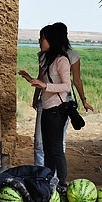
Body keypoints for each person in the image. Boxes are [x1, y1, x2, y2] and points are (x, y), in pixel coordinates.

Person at [30, 22, 93, 166]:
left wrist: (83, 100)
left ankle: (56, 177)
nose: (40, 41)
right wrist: (36, 97)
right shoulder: (44, 56)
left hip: (61, 102)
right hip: (46, 100)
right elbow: (41, 77)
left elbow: (75, 81)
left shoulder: (71, 56)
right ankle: (42, 173)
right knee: (41, 141)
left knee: (56, 142)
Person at [19, 24, 71, 193]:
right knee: (47, 149)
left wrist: (45, 85)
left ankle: (62, 184)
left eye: (42, 38)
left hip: (57, 110)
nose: (40, 41)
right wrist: (31, 79)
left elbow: (66, 86)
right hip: (48, 109)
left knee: (56, 149)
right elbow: (46, 83)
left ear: (51, 40)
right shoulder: (49, 59)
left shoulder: (62, 60)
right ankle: (48, 180)